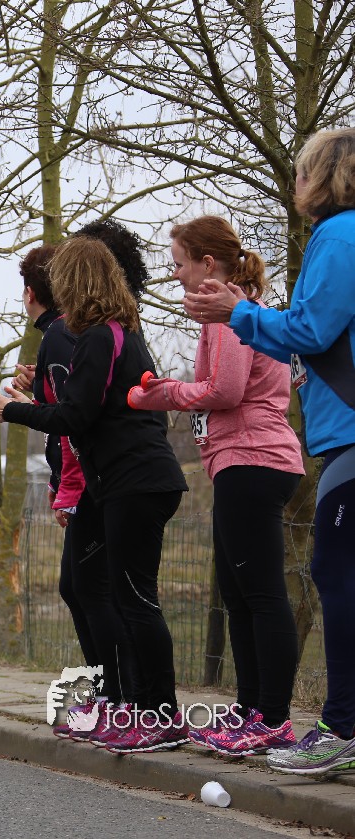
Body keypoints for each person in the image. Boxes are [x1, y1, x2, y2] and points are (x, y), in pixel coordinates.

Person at [0, 235, 189, 753]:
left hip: (135, 482)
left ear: (75, 281)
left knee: (135, 602)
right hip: (129, 482)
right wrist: (35, 394)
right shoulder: (114, 332)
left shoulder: (102, 337)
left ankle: (159, 714)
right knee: (127, 600)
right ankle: (141, 709)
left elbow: (75, 416)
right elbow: (82, 404)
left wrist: (9, 410)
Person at [185, 128, 355, 775]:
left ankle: (340, 727)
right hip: (335, 436)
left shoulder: (338, 237)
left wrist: (238, 313)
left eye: (302, 171)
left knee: (335, 576)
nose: (296, 183)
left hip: (345, 435)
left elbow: (308, 330)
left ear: (327, 176)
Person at [128, 216, 303, 756]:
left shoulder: (230, 316)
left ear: (208, 264)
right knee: (239, 592)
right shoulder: (234, 315)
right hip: (241, 461)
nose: (174, 273)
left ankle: (273, 717)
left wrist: (166, 394)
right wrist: (173, 390)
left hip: (253, 459)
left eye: (179, 263)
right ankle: (251, 710)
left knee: (261, 593)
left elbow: (224, 390)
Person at [11, 246, 112, 738]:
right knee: (78, 588)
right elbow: (65, 402)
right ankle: (111, 694)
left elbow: (72, 423)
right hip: (89, 479)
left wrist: (67, 491)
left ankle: (117, 697)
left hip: (89, 482)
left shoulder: (57, 335)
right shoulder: (67, 335)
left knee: (88, 589)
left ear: (30, 292)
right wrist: (35, 394)